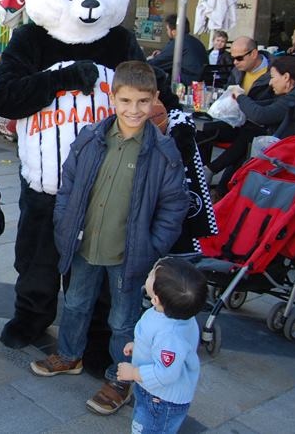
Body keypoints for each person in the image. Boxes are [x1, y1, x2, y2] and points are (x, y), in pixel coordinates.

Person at [30, 61, 187, 417]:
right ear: (112, 97)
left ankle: (122, 377)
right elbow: (68, 184)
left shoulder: (163, 153)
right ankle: (69, 355)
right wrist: (63, 224)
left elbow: (174, 207)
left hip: (129, 255)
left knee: (122, 320)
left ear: (155, 100)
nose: (135, 110)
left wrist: (153, 246)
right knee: (74, 303)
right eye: (127, 100)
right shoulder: (90, 137)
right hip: (85, 245)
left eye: (144, 102)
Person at [117, 258, 208, 434]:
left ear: (156, 299)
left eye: (152, 274)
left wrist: (133, 373)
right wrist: (139, 345)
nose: (149, 273)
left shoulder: (171, 335)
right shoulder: (172, 313)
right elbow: (155, 342)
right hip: (153, 393)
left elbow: (166, 372)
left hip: (161, 400)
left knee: (150, 429)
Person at [197, 36, 274, 192]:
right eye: (233, 58)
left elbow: (271, 107)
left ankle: (213, 175)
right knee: (203, 131)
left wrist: (245, 103)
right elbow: (229, 93)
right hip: (235, 119)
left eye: (239, 58)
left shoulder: (273, 73)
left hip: (258, 123)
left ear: (253, 54)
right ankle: (200, 175)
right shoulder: (238, 70)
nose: (235, 62)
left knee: (248, 134)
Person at [228, 54, 295, 145]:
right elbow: (273, 104)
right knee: (249, 133)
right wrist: (241, 103)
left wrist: (240, 96)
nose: (270, 83)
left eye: (272, 77)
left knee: (250, 133)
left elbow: (261, 115)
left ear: (286, 77)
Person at [148, 14, 209, 85]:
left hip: (186, 84)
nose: (167, 32)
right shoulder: (195, 41)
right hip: (199, 82)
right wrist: (162, 54)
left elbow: (156, 63)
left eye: (167, 29)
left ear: (174, 32)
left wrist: (148, 59)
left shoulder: (179, 43)